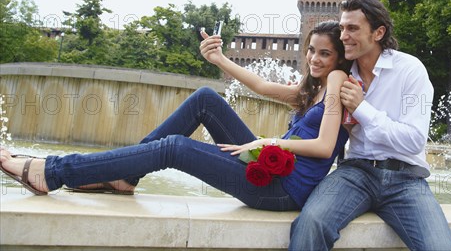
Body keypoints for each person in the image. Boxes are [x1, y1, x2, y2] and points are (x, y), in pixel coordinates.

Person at [0, 21, 352, 211]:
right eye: (311, 50)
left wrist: (268, 141)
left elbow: (324, 148)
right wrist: (219, 60)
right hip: (272, 172)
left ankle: (52, 172)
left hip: (281, 193)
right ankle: (125, 177)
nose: (314, 59)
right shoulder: (313, 88)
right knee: (205, 99)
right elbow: (261, 85)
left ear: (340, 58)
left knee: (176, 148)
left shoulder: (336, 81)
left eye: (325, 53)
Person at [289, 0, 451, 250]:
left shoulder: (410, 70)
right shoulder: (341, 75)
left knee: (439, 247)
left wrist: (362, 108)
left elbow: (413, 141)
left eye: (352, 28)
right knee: (311, 222)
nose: (343, 36)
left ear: (379, 32)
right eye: (343, 27)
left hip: (407, 180)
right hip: (355, 173)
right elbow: (288, 93)